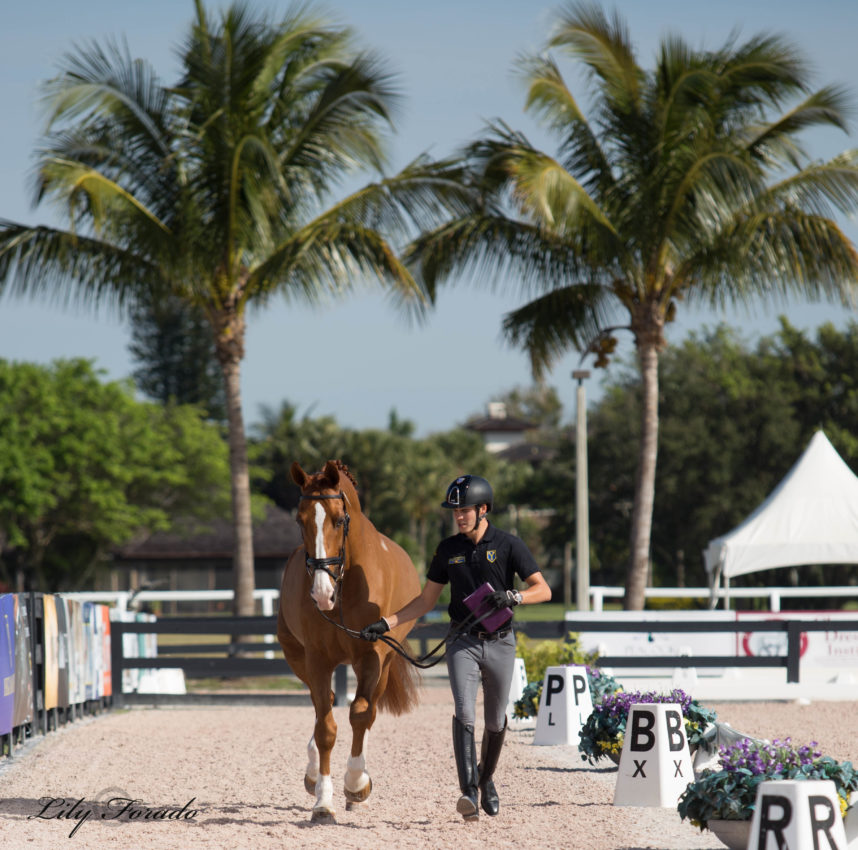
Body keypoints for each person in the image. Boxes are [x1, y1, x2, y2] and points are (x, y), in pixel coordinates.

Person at [360, 474, 551, 821]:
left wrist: (514, 596)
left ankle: (486, 778)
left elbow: (544, 589)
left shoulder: (508, 544)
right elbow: (423, 601)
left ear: (483, 509)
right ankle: (469, 793)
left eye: (464, 510)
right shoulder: (448, 551)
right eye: (455, 512)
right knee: (464, 712)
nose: (459, 517)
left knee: (495, 720)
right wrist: (386, 623)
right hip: (462, 642)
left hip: (501, 642)